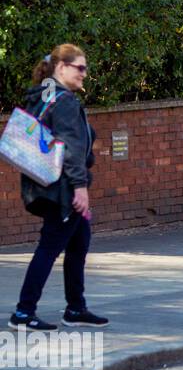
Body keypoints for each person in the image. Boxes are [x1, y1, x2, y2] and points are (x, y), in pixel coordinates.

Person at [11, 45, 109, 331]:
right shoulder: (64, 100)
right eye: (80, 67)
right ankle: (23, 312)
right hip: (63, 190)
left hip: (43, 184)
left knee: (79, 242)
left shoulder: (43, 95)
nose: (84, 74)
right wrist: (80, 187)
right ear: (61, 67)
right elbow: (70, 147)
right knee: (49, 248)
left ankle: (75, 308)